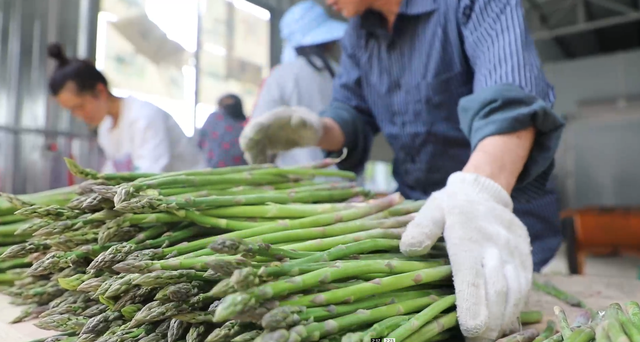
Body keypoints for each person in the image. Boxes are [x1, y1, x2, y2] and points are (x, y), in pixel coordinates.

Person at [239, 0, 566, 340]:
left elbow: (511, 98)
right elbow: (352, 112)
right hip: (420, 226)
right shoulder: (358, 34)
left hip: (498, 221)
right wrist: (317, 129)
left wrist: (478, 192)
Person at [46, 43, 206, 174]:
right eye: (72, 111)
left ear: (100, 91)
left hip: (193, 198)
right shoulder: (106, 128)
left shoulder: (143, 117)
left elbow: (149, 174)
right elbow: (113, 172)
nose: (78, 115)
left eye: (79, 107)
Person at [252, 0, 347, 168]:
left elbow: (257, 134)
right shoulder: (344, 75)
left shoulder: (282, 75)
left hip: (297, 182)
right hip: (344, 180)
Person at [198, 94, 248, 168]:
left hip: (212, 169)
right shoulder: (247, 124)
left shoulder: (214, 118)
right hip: (241, 172)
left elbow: (200, 142)